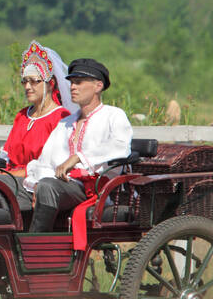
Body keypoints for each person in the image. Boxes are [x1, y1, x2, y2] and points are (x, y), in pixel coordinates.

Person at [25, 58, 133, 233]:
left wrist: (78, 157)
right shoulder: (66, 123)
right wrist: (36, 182)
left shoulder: (114, 115)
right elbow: (45, 161)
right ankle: (0, 251)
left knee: (47, 187)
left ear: (98, 86)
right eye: (71, 83)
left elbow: (121, 147)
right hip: (59, 184)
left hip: (93, 187)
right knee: (3, 186)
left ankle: (36, 250)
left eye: (78, 82)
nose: (72, 87)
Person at [0, 41, 74, 213]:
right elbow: (8, 152)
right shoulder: (22, 115)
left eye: (34, 81)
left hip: (35, 180)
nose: (27, 87)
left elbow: (53, 163)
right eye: (24, 81)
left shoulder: (60, 118)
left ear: (50, 83)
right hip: (11, 176)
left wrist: (15, 174)